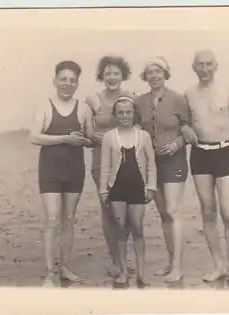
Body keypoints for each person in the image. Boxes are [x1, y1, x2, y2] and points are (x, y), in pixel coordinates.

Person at [183, 50, 229, 285]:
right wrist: (184, 129)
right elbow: (185, 123)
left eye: (209, 64)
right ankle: (218, 265)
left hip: (225, 153)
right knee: (207, 211)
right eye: (200, 64)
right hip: (200, 154)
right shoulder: (188, 94)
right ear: (193, 67)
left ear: (216, 65)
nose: (205, 69)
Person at [29, 60, 94, 287]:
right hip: (50, 170)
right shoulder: (45, 106)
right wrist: (64, 139)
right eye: (63, 79)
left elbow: (90, 139)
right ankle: (49, 273)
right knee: (53, 219)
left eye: (72, 80)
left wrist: (82, 140)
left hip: (75, 170)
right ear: (55, 80)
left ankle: (65, 267)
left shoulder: (83, 108)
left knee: (68, 220)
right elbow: (34, 137)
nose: (67, 84)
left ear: (77, 83)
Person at [135, 56, 195, 282]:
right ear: (145, 76)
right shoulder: (140, 102)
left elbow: (190, 131)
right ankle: (170, 263)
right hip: (152, 163)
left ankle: (178, 267)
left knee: (173, 210)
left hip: (174, 161)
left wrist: (177, 144)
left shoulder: (178, 99)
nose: (154, 76)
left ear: (165, 74)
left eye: (158, 71)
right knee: (163, 214)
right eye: (150, 72)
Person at [85, 55, 138, 277]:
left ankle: (125, 260)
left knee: (126, 213)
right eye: (107, 73)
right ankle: (117, 261)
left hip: (128, 162)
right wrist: (105, 138)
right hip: (101, 164)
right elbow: (89, 132)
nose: (112, 77)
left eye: (116, 73)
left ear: (123, 75)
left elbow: (137, 127)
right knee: (109, 213)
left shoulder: (130, 98)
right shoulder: (93, 100)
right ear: (101, 76)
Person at [99, 95, 157, 286]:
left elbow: (151, 164)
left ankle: (141, 272)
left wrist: (151, 187)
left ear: (134, 114)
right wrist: (103, 190)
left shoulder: (143, 136)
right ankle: (123, 270)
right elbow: (105, 166)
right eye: (121, 112)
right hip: (116, 188)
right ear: (115, 115)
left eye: (128, 112)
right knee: (121, 229)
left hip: (137, 187)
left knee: (137, 228)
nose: (125, 116)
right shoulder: (109, 137)